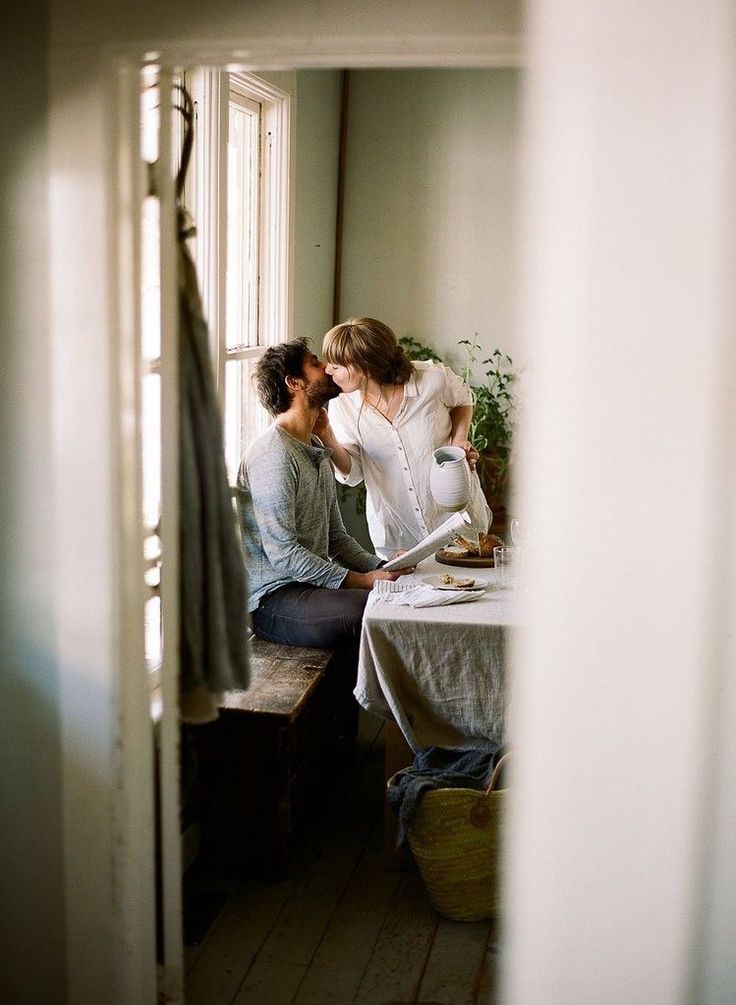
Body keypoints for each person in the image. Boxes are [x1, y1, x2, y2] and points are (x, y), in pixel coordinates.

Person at [235, 336, 413, 663]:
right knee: (368, 608)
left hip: (309, 589)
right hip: (273, 600)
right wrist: (362, 581)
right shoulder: (274, 454)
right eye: (315, 363)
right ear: (295, 383)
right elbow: (284, 554)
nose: (327, 368)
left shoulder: (314, 445)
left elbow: (336, 537)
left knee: (391, 595)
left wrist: (382, 567)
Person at [317, 317, 491, 560]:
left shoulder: (432, 378)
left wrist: (459, 440)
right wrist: (325, 434)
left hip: (456, 521)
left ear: (364, 366)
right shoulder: (343, 405)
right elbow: (353, 473)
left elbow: (463, 398)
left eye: (336, 365)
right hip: (399, 536)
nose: (327, 370)